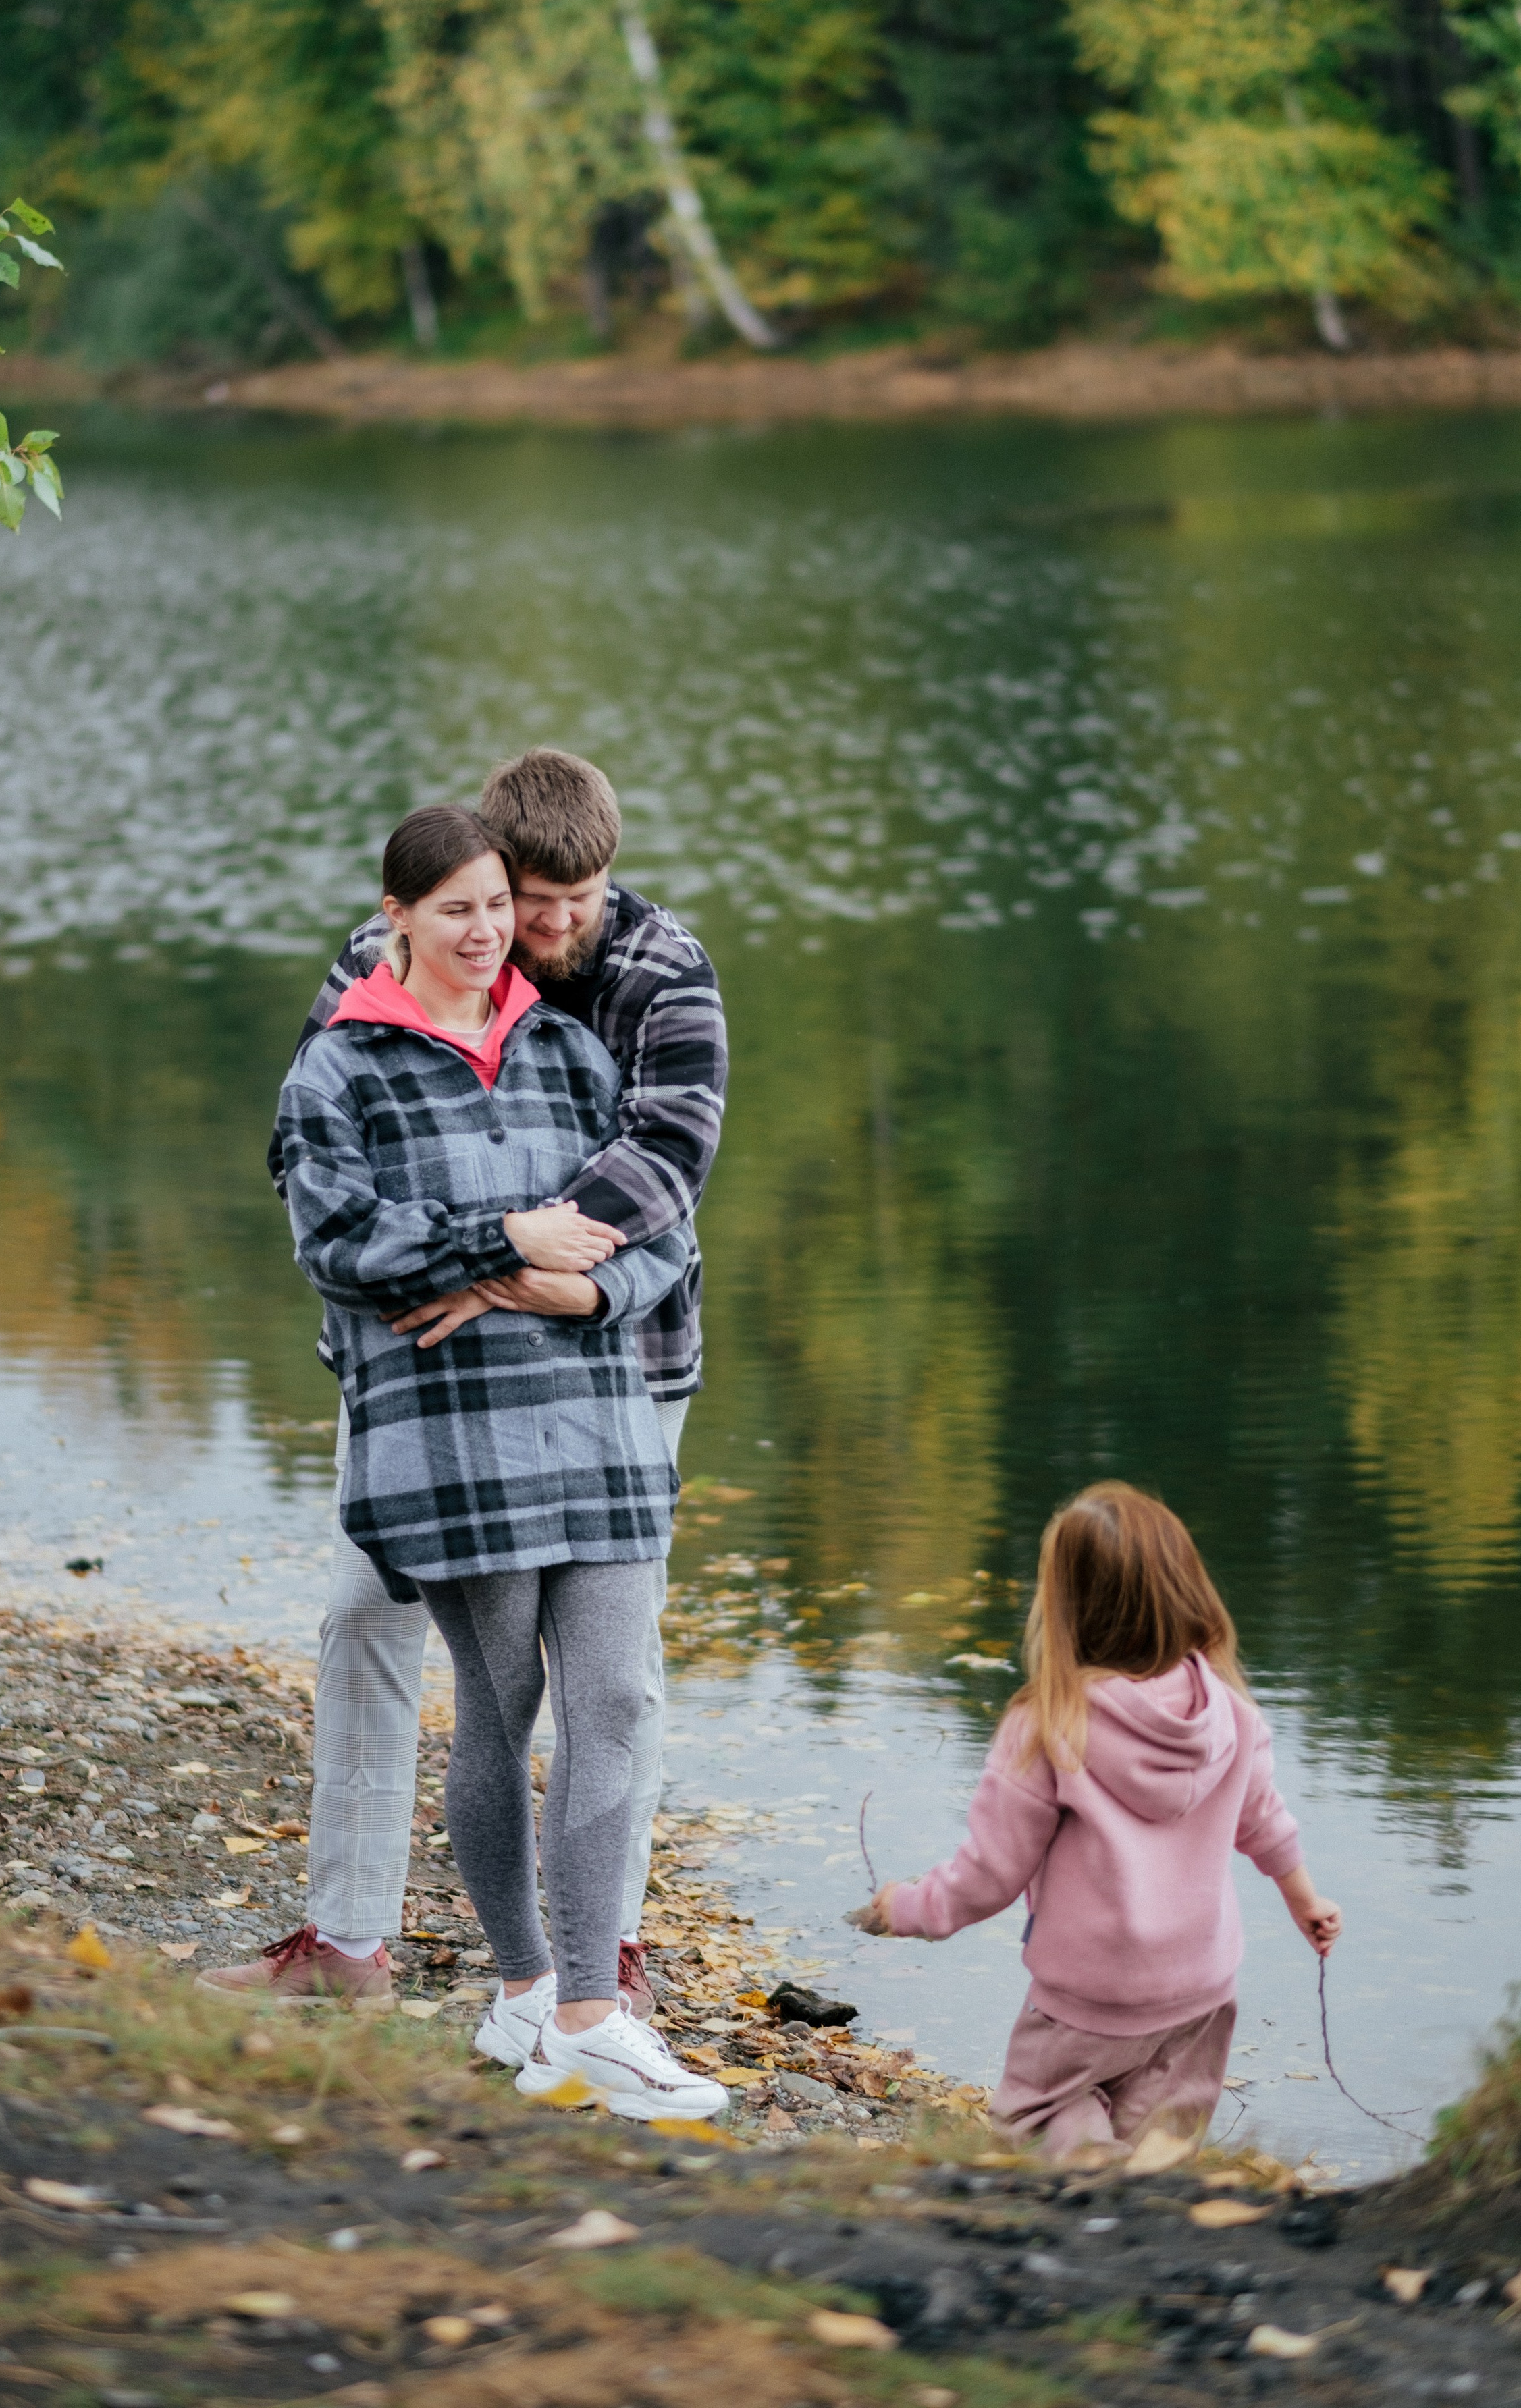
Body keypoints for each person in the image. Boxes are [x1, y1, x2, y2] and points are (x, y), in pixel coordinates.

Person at [207, 750, 726, 2015]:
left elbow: (667, 1166)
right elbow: (317, 1166)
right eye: (521, 899)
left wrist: (519, 1268)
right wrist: (477, 1262)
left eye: (574, 903)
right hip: (424, 1365)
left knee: (617, 1673)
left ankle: (610, 1952)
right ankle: (346, 1944)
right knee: (361, 1617)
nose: (543, 930)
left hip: (616, 1356)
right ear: (479, 874)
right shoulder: (388, 954)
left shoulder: (663, 970)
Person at [853, 1482, 1343, 2162]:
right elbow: (1264, 1821)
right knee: (1159, 2143)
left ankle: (1088, 2203)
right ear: (1184, 1586)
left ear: (1065, 1606)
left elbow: (991, 1874)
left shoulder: (1048, 1725)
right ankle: (1136, 2234)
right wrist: (1305, 1900)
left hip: (1087, 1999)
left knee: (1037, 2117)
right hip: (1202, 1988)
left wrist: (908, 1908)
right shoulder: (1230, 1713)